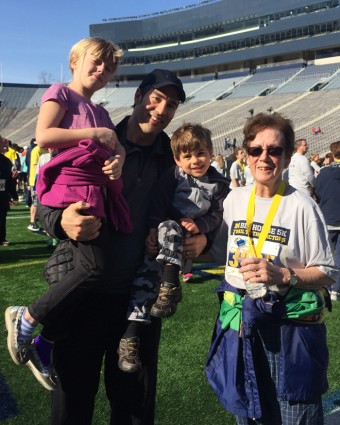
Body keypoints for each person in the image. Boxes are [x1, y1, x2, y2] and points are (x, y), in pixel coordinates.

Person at [37, 69, 206, 424]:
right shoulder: (98, 137)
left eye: (171, 105)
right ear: (138, 96)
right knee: (71, 401)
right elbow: (46, 200)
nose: (160, 110)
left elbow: (208, 206)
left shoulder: (174, 158)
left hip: (138, 299)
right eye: (155, 98)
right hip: (84, 292)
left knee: (134, 408)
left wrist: (203, 239)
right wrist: (60, 221)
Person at [5, 37, 128, 392]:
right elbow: (43, 136)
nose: (102, 69)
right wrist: (94, 134)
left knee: (88, 273)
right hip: (68, 192)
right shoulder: (60, 91)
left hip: (95, 194)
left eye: (109, 66)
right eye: (96, 60)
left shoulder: (102, 112)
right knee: (93, 267)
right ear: (75, 60)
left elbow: (116, 147)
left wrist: (118, 158)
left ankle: (46, 343)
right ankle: (25, 318)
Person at [205, 112, 337, 425]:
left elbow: (329, 272)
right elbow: (216, 251)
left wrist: (284, 275)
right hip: (242, 325)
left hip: (290, 329)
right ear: (246, 154)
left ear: (288, 155)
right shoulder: (234, 199)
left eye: (274, 150)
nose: (264, 158)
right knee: (250, 413)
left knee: (297, 415)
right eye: (256, 150)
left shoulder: (303, 206)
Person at [117, 123, 229, 372]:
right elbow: (158, 202)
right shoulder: (174, 175)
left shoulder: (220, 185)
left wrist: (199, 225)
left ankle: (170, 282)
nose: (195, 160)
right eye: (187, 156)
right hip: (163, 240)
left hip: (185, 247)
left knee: (171, 234)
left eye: (200, 153)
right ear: (177, 159)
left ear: (210, 152)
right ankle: (130, 337)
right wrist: (152, 228)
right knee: (144, 283)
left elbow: (218, 215)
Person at [315, 141, 340, 302]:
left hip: (327, 218)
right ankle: (336, 289)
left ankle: (322, 284)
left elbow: (316, 192)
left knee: (324, 255)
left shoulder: (323, 172)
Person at [0, 135, 16, 246]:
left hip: (2, 191)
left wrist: (12, 194)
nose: (4, 145)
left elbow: (9, 179)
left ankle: (2, 238)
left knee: (2, 216)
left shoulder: (5, 161)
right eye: (2, 143)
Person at [27, 143, 48, 231]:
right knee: (35, 202)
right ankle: (32, 222)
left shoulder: (48, 149)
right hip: (36, 180)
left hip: (45, 180)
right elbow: (35, 165)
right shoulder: (37, 150)